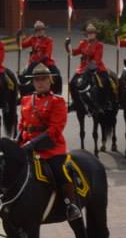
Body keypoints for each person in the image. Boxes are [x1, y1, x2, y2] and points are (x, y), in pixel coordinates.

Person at [19, 61, 86, 222]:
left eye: (43, 79)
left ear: (50, 81)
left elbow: (55, 130)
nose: (40, 82)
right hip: (27, 147)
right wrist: (16, 143)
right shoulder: (26, 100)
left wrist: (33, 144)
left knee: (60, 171)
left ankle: (71, 206)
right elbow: (22, 126)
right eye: (37, 80)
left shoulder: (58, 101)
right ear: (33, 82)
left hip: (50, 148)